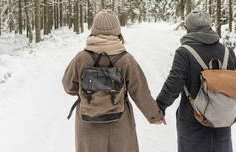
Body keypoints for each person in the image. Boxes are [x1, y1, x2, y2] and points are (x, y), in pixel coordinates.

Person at [62, 10, 164, 152]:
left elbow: (68, 87)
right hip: (120, 124)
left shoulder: (81, 58)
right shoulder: (126, 59)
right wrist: (155, 116)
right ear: (117, 32)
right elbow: (140, 92)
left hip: (88, 125)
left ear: (94, 31)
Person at [156, 10, 236, 152]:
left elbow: (174, 84)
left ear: (188, 29)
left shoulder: (184, 52)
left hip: (193, 121)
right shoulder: (227, 51)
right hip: (221, 121)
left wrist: (159, 107)